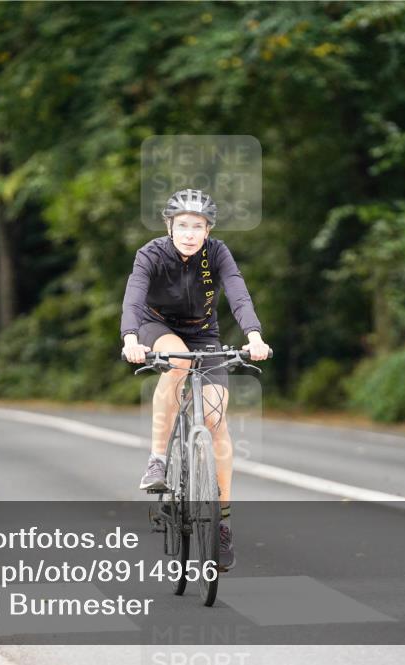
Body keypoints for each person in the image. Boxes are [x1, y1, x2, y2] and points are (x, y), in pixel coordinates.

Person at [120, 188, 271, 571]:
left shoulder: (217, 254)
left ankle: (221, 523)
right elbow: (134, 298)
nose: (190, 233)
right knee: (179, 364)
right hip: (158, 328)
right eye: (183, 225)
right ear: (169, 227)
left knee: (216, 422)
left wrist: (253, 336)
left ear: (208, 230)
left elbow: (237, 292)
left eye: (198, 226)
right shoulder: (151, 254)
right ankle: (157, 462)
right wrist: (131, 339)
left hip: (205, 335)